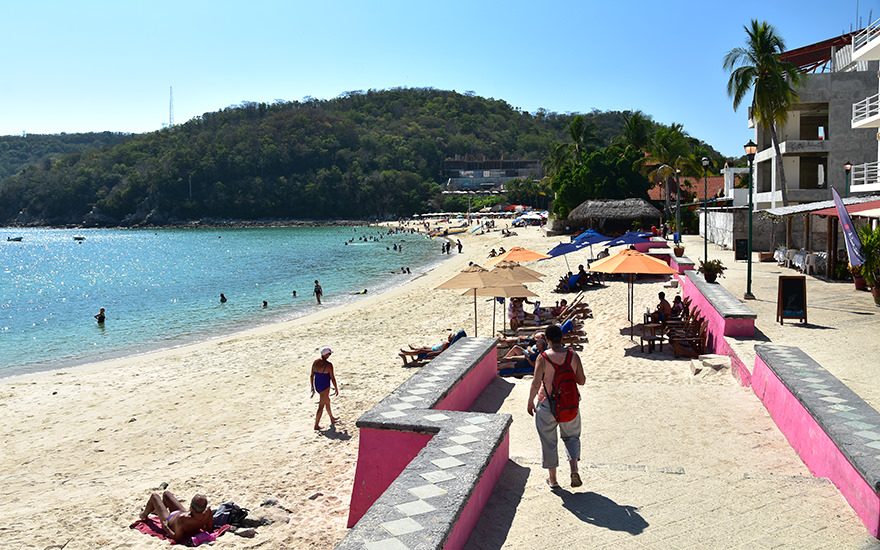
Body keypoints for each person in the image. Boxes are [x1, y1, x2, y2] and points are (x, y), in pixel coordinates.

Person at [527, 324, 586, 489]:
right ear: (562, 338)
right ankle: (574, 469)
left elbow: (535, 382)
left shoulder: (543, 357)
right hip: (569, 403)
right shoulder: (573, 355)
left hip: (547, 404)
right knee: (572, 437)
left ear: (546, 340)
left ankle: (553, 480)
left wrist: (530, 401)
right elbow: (581, 380)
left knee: (549, 441)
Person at [139, 491, 213, 542]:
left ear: (191, 508)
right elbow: (209, 529)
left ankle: (144, 514)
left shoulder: (182, 519)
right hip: (182, 513)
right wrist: (198, 525)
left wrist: (166, 528)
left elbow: (177, 538)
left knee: (154, 496)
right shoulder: (208, 512)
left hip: (169, 519)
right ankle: (157, 510)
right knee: (166, 494)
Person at [311, 347, 339, 430]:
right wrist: (336, 388)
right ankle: (316, 425)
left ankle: (331, 418)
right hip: (325, 386)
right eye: (329, 354)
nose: (330, 356)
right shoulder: (329, 365)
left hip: (317, 385)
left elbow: (312, 375)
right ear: (326, 355)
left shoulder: (315, 362)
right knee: (321, 406)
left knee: (327, 401)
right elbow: (332, 378)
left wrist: (312, 387)